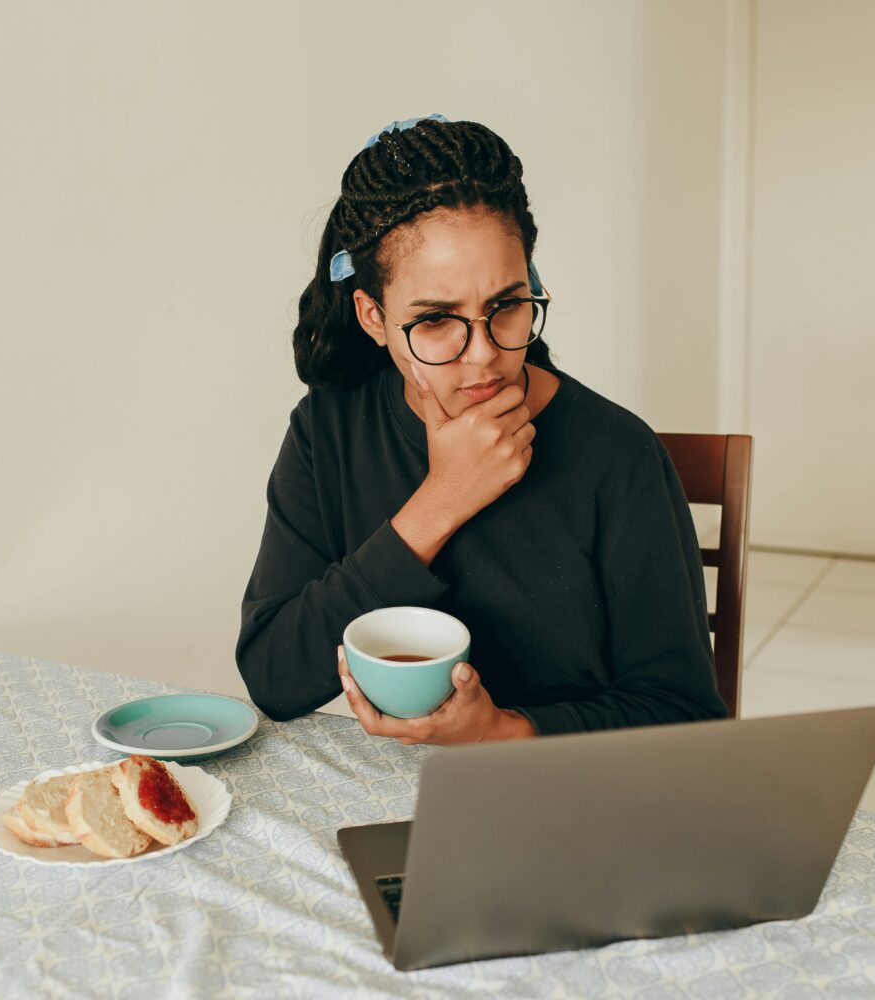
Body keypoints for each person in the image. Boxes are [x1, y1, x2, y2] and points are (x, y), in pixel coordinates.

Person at [236, 115, 725, 744]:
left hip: (564, 800)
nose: (483, 355)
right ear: (373, 317)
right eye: (437, 319)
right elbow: (274, 676)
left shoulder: (619, 455)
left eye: (506, 307)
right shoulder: (326, 431)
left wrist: (503, 731)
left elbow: (686, 718)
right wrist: (441, 501)